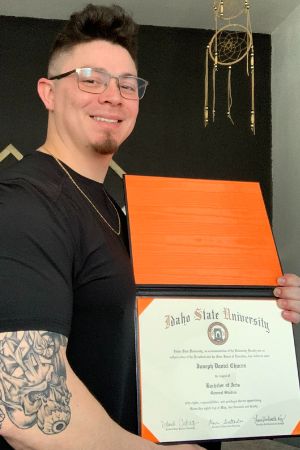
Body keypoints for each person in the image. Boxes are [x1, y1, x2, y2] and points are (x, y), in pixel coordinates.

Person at [0, 3, 299, 450]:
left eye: (127, 84)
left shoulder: (115, 209)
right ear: (48, 92)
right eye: (90, 79)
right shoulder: (26, 202)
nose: (112, 96)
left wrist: (264, 301)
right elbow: (27, 410)